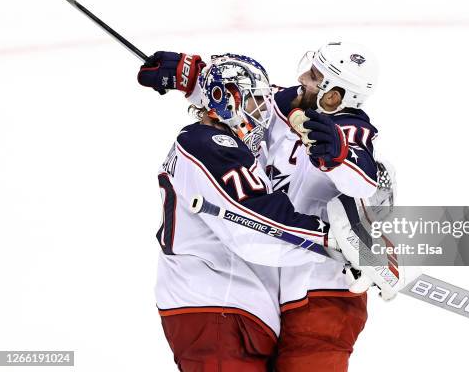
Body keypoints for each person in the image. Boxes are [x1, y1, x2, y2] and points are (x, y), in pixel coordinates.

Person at [138, 47, 417, 371]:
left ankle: (370, 232)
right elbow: (242, 98)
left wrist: (339, 155)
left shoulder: (350, 128)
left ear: (333, 97)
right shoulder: (281, 107)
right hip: (265, 285)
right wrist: (197, 75)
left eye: (313, 76)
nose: (301, 78)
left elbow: (367, 178)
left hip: (322, 289)